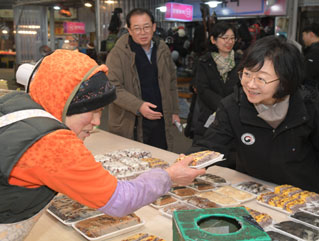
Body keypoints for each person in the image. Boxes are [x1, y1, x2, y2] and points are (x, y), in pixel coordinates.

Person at [0, 50, 205, 240]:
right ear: (66, 102)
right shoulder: (52, 144)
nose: (98, 122)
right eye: (93, 110)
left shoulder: (15, 104)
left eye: (102, 112)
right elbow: (120, 199)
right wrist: (169, 176)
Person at [189, 36, 319, 193]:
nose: (250, 84)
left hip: (302, 197)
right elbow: (210, 147)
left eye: (261, 79)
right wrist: (183, 164)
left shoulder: (310, 107)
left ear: (285, 80)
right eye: (247, 74)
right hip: (253, 193)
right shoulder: (232, 106)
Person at [106, 8, 180, 151]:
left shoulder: (162, 49)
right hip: (131, 121)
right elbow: (112, 87)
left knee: (161, 159)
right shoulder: (118, 53)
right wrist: (138, 106)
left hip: (160, 118)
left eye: (146, 27)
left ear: (153, 27)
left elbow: (171, 82)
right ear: (129, 30)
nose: (143, 32)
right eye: (137, 28)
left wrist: (174, 111)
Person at [193, 22, 241, 142]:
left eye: (232, 38)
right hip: (209, 114)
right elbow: (203, 89)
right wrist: (224, 105)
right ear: (213, 40)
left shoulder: (242, 62)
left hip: (235, 114)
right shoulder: (204, 62)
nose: (229, 42)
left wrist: (231, 106)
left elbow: (243, 87)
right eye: (224, 38)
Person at [302, 22, 319, 90]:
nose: (303, 38)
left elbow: (308, 75)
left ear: (311, 34)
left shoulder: (315, 52)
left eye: (303, 35)